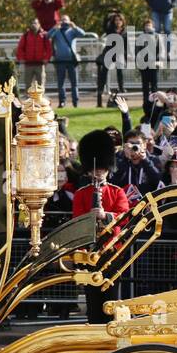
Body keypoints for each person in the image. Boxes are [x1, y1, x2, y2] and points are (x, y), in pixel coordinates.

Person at [71, 130, 130, 323]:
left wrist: (105, 216)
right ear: (88, 169)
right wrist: (90, 217)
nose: (98, 172)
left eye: (102, 168)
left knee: (111, 293)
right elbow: (77, 220)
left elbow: (124, 217)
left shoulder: (117, 191)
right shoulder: (82, 194)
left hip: (112, 251)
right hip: (90, 251)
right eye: (95, 169)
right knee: (92, 295)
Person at [48, 15, 85, 108]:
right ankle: (62, 101)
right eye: (63, 20)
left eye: (66, 20)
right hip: (60, 60)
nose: (64, 22)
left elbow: (83, 34)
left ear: (69, 21)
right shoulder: (57, 31)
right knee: (61, 83)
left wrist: (74, 26)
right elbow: (47, 36)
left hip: (72, 61)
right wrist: (55, 27)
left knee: (74, 83)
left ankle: (75, 102)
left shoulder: (72, 31)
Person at [96, 11, 127, 106]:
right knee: (104, 72)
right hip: (109, 53)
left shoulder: (125, 32)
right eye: (116, 20)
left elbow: (126, 46)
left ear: (122, 21)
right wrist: (110, 15)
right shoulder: (110, 30)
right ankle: (100, 90)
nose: (118, 22)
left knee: (120, 72)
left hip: (119, 54)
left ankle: (122, 89)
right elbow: (105, 24)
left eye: (120, 20)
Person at [15, 19, 51, 92]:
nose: (34, 25)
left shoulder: (44, 35)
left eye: (35, 23)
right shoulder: (25, 35)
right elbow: (20, 48)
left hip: (40, 64)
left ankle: (41, 101)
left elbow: (49, 49)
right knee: (28, 84)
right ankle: (28, 101)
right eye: (32, 23)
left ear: (39, 25)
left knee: (41, 84)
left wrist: (46, 58)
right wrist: (21, 58)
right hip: (28, 64)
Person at [135, 17, 164, 103]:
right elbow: (137, 50)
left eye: (149, 25)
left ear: (153, 26)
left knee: (154, 85)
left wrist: (158, 60)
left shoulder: (157, 36)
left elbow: (161, 49)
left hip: (154, 63)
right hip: (143, 64)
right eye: (146, 25)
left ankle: (154, 102)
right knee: (145, 85)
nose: (148, 27)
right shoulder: (140, 37)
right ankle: (146, 102)